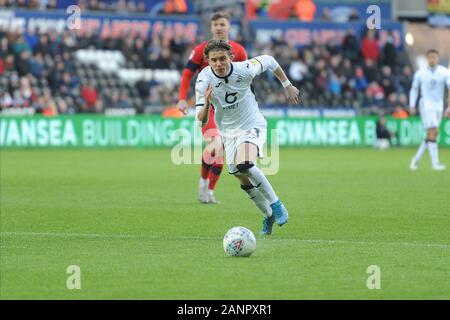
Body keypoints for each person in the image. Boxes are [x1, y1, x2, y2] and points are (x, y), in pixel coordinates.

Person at [195, 40, 300, 235]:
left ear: (231, 58)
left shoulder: (244, 69)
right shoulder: (203, 80)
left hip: (252, 124)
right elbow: (200, 120)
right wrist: (205, 103)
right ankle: (267, 214)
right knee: (239, 175)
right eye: (214, 60)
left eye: (222, 59)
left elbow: (269, 60)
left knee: (244, 163)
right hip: (229, 133)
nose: (219, 64)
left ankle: (276, 205)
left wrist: (287, 85)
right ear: (208, 61)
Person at [176, 12, 248, 204]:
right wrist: (182, 98)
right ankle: (204, 185)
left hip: (230, 108)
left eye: (222, 24)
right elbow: (186, 74)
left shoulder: (239, 51)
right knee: (217, 147)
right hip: (208, 107)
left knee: (217, 151)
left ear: (229, 26)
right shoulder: (201, 50)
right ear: (211, 28)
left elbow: (245, 80)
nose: (218, 27)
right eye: (215, 24)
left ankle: (208, 188)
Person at [409, 49, 450, 171]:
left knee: (432, 134)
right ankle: (435, 163)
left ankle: (416, 159)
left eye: (434, 57)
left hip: (438, 106)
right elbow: (414, 89)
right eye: (430, 57)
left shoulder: (444, 72)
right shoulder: (420, 73)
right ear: (427, 59)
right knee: (434, 130)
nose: (432, 59)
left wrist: (449, 106)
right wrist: (412, 104)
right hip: (426, 105)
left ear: (437, 58)